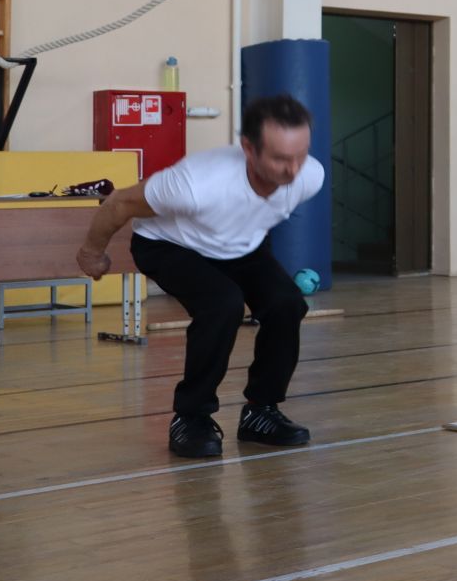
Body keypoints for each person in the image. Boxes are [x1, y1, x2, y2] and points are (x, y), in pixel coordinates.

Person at [76, 94, 325, 459]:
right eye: (279, 158)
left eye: (299, 156)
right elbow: (120, 203)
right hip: (170, 244)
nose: (292, 171)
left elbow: (255, 213)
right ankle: (191, 417)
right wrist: (91, 252)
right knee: (222, 305)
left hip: (238, 245)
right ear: (248, 149)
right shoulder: (196, 182)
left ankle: (261, 412)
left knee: (286, 304)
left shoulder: (310, 177)